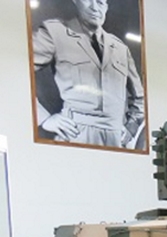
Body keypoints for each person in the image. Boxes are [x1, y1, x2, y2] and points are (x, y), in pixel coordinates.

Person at [32, 0, 145, 149]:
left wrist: (131, 127)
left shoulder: (120, 48)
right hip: (75, 133)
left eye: (100, 2)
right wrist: (44, 118)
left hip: (115, 138)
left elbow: (140, 98)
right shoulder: (55, 32)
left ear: (106, 7)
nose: (95, 8)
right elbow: (19, 68)